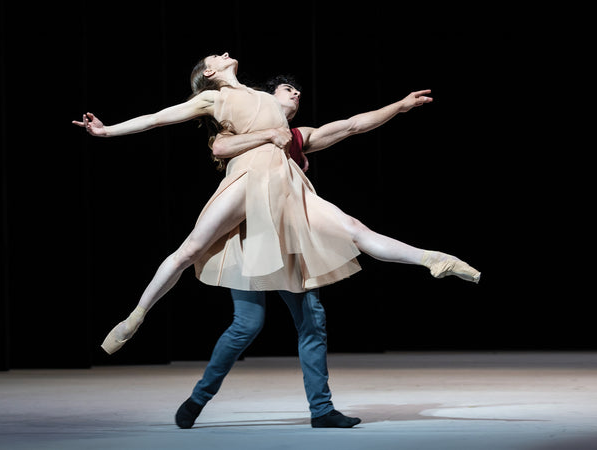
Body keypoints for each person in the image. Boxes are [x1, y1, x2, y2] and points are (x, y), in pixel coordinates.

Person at [72, 52, 480, 358]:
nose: (225, 52)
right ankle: (137, 315)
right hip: (250, 178)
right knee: (191, 249)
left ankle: (431, 258)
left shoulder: (282, 118)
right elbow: (160, 118)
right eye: (217, 55)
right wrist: (108, 132)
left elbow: (355, 124)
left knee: (356, 228)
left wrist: (400, 106)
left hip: (289, 186)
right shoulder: (216, 101)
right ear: (210, 73)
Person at [177, 75, 433, 429]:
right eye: (287, 89)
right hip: (250, 240)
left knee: (313, 321)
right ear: (265, 100)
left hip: (289, 242)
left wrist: (399, 106)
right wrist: (266, 136)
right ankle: (198, 397)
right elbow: (219, 148)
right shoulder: (237, 131)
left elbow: (353, 125)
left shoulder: (299, 138)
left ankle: (322, 410)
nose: (296, 93)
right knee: (247, 325)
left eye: (297, 90)